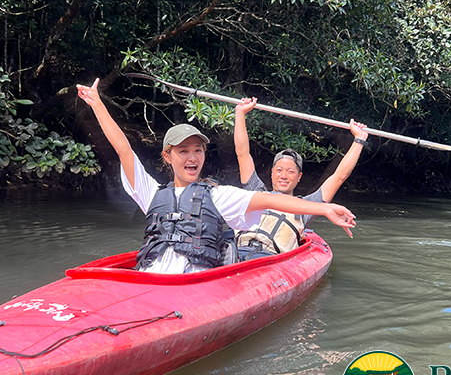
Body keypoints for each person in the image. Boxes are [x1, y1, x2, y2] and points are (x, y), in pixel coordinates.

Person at [75, 78, 357, 274]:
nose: (192, 157)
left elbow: (275, 202)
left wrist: (325, 208)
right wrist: (97, 104)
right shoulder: (150, 193)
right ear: (167, 156)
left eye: (198, 151)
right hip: (152, 277)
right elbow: (124, 149)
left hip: (198, 283)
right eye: (183, 151)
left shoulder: (218, 195)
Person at [232, 96, 369, 259]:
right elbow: (242, 153)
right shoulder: (256, 191)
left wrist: (359, 140)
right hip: (236, 254)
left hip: (268, 261)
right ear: (272, 173)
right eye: (279, 170)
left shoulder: (306, 207)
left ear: (299, 177)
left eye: (290, 172)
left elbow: (339, 176)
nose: (283, 176)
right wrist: (240, 113)